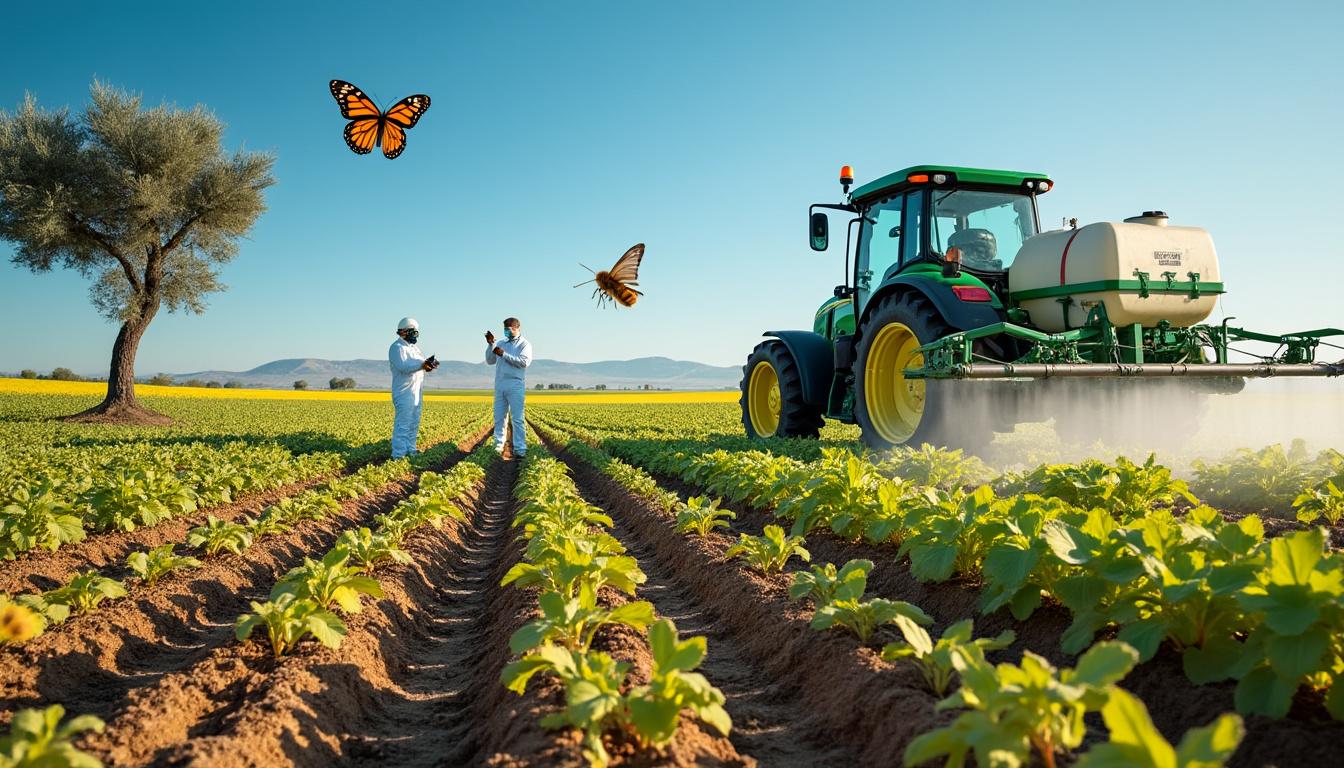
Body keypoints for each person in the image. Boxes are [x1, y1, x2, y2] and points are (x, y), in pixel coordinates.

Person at [389, 317, 437, 458]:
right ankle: (398, 455)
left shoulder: (414, 349)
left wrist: (429, 365)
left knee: (414, 423)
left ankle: (411, 450)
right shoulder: (397, 348)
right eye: (412, 332)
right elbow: (404, 367)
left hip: (416, 391)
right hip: (404, 392)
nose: (415, 335)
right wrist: (422, 365)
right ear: (404, 332)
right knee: (403, 424)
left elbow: (420, 365)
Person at [485, 317, 532, 457]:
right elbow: (490, 360)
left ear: (517, 328)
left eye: (509, 328)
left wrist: (504, 354)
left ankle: (520, 450)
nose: (506, 331)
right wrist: (490, 345)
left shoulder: (524, 344)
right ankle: (498, 448)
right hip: (500, 384)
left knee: (517, 418)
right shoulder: (501, 343)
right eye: (505, 328)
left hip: (515, 384)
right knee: (499, 418)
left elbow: (524, 362)